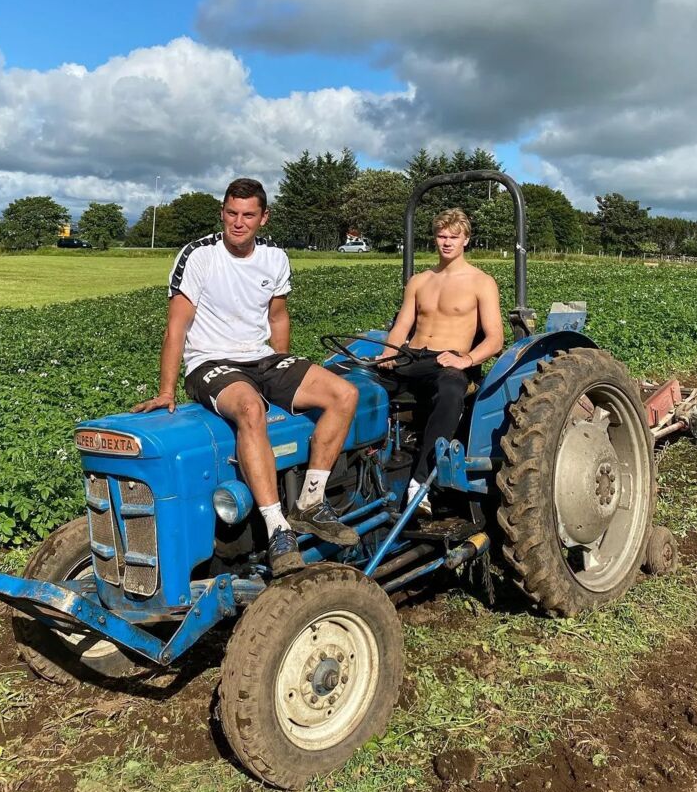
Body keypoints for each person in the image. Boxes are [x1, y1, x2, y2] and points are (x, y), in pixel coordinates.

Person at [132, 177, 360, 575]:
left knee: (344, 393)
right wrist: (166, 390)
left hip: (262, 359)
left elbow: (277, 316)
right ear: (222, 213)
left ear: (263, 218)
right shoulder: (198, 256)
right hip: (210, 362)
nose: (239, 223)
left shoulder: (274, 257)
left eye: (248, 215)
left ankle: (311, 500)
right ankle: (277, 528)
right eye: (231, 213)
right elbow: (176, 328)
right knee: (251, 408)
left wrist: (285, 368)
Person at [381, 208, 504, 510]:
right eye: (441, 236)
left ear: (466, 240)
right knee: (358, 384)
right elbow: (401, 326)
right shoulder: (420, 281)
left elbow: (495, 339)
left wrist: (468, 359)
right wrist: (388, 351)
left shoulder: (481, 282)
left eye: (453, 236)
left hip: (449, 362)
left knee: (450, 391)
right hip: (413, 357)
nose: (446, 242)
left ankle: (419, 484)